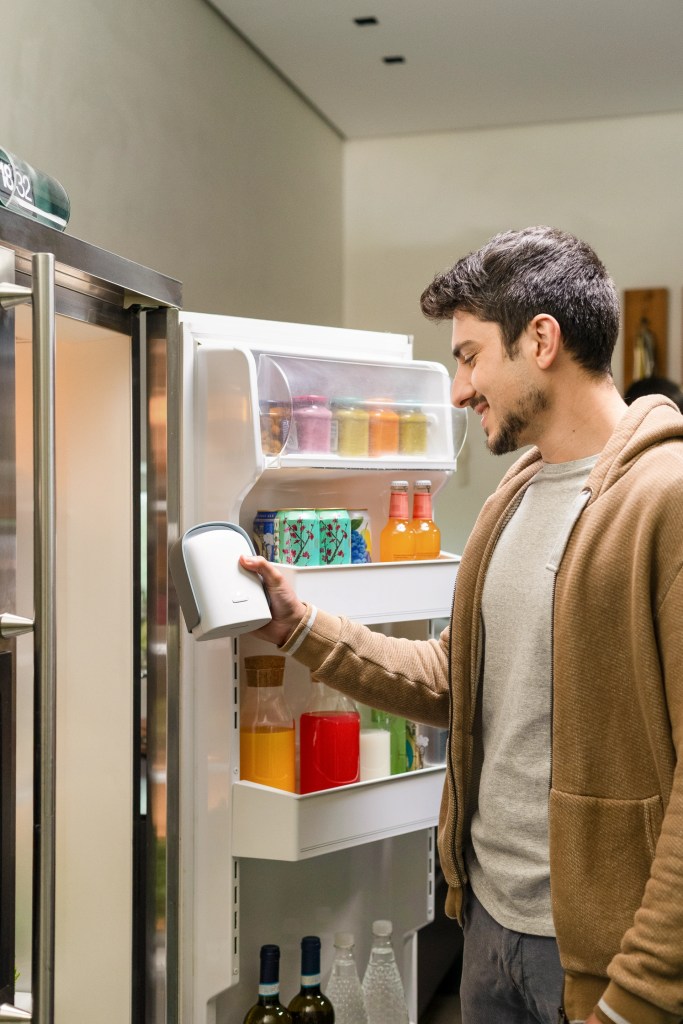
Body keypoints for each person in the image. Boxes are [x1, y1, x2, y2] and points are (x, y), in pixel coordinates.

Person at [240, 226, 683, 1024]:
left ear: (539, 340)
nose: (456, 390)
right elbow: (455, 681)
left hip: (598, 959)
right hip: (487, 925)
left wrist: (643, 991)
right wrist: (300, 627)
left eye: (470, 356)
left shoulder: (666, 499)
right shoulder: (507, 501)